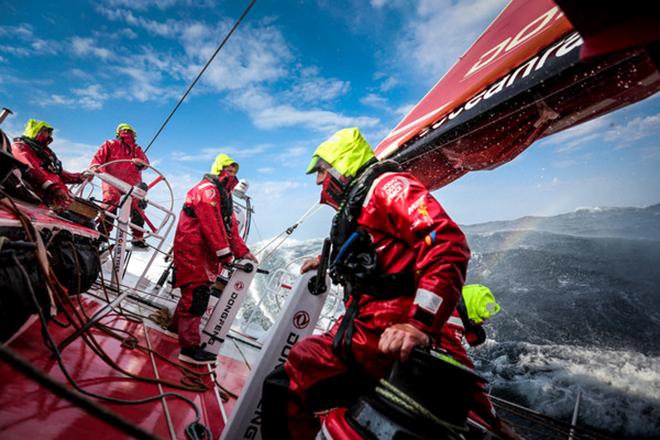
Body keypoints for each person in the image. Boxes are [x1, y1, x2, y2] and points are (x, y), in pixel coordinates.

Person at [261, 128, 514, 439]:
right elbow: (375, 247)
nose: (317, 181)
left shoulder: (390, 187)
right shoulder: (363, 200)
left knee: (282, 385)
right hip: (365, 334)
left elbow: (446, 243)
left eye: (321, 171)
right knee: (292, 376)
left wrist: (418, 324)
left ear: (342, 164)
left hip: (383, 340)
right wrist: (323, 260)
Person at [170, 153, 257, 365]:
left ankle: (174, 328)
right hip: (192, 250)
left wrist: (243, 252)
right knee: (197, 295)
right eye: (228, 170)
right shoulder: (206, 191)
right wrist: (226, 254)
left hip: (206, 255)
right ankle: (189, 349)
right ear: (219, 169)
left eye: (234, 172)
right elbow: (212, 224)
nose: (232, 175)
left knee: (194, 292)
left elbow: (230, 229)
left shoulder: (224, 197)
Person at [89, 123, 150, 248]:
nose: (126, 132)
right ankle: (102, 234)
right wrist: (95, 167)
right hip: (111, 180)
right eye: (125, 130)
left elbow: (146, 164)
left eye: (129, 131)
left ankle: (137, 237)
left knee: (137, 205)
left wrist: (141, 163)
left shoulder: (136, 149)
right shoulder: (110, 144)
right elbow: (97, 160)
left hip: (131, 185)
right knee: (112, 200)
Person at [11, 119, 87, 210]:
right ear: (37, 131)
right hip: (39, 199)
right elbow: (33, 169)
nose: (50, 135)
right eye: (47, 132)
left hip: (58, 200)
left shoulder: (46, 152)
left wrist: (79, 177)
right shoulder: (20, 147)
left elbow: (57, 172)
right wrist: (54, 188)